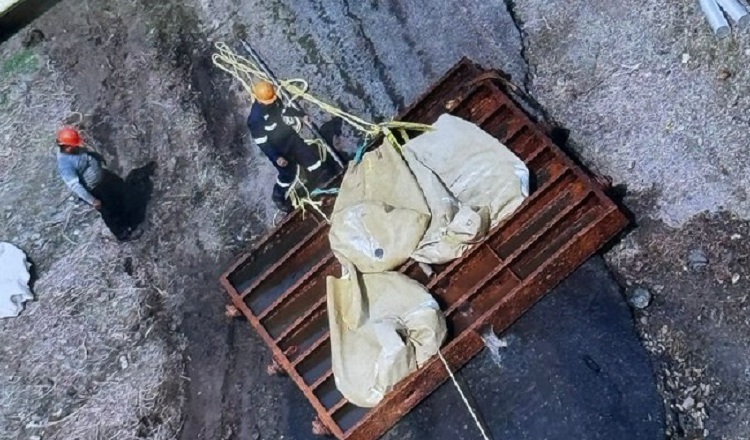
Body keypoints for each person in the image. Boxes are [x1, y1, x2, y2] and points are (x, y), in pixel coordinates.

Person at [246, 81, 328, 212]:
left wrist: (301, 116)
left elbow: (283, 110)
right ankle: (278, 196)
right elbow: (262, 143)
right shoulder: (256, 119)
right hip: (277, 148)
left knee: (311, 158)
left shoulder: (274, 100)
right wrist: (277, 157)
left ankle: (321, 180)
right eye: (269, 101)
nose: (272, 102)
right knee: (288, 174)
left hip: (289, 137)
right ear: (259, 100)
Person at [55, 126, 147, 242]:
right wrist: (92, 200)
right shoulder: (65, 165)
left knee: (117, 198)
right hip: (95, 189)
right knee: (110, 212)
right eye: (75, 145)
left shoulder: (74, 149)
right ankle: (123, 233)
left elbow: (86, 154)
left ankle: (127, 215)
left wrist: (97, 158)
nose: (79, 146)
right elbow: (75, 186)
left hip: (103, 179)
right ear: (68, 147)